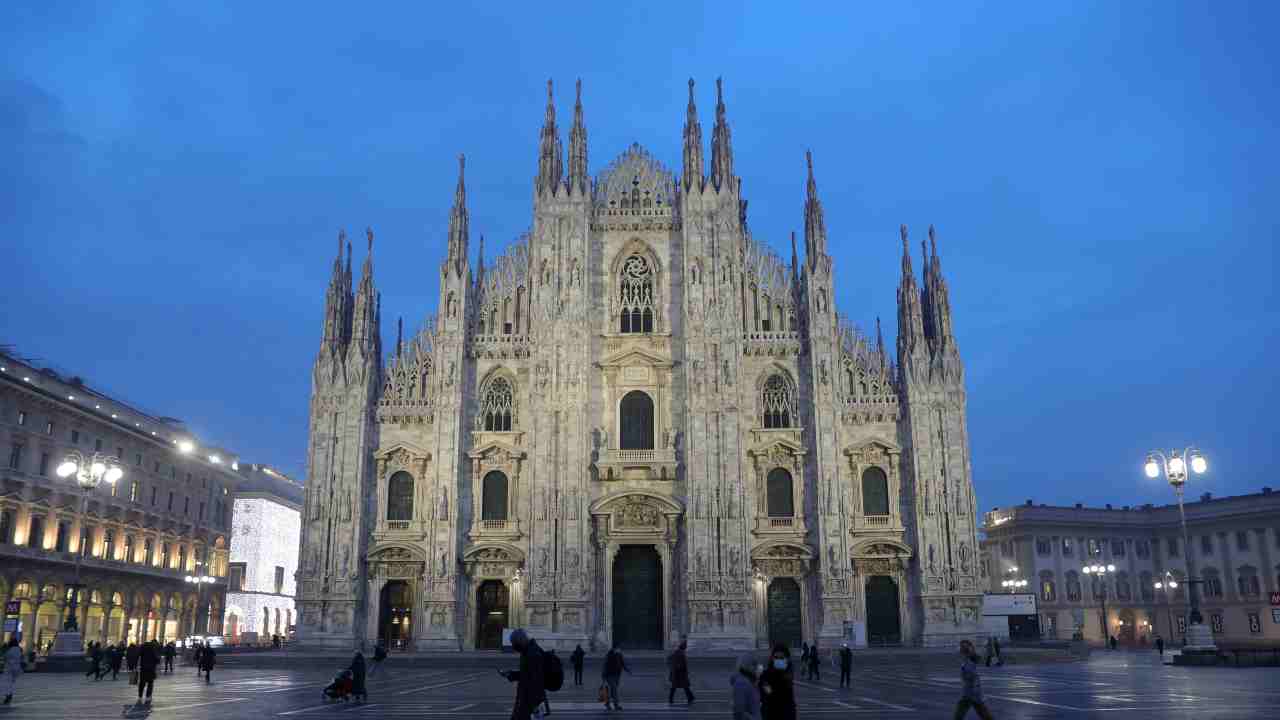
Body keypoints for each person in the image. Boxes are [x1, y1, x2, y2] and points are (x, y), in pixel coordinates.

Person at [499, 629, 545, 720]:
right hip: (525, 699)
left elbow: (536, 680)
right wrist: (511, 674)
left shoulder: (533, 654)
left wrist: (535, 705)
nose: (513, 646)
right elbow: (526, 674)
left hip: (529, 702)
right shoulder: (527, 651)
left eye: (514, 643)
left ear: (521, 641)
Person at [954, 639, 993, 720]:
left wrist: (973, 688)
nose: (959, 649)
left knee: (960, 712)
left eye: (961, 648)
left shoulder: (968, 662)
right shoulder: (967, 660)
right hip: (972, 692)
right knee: (982, 711)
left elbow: (973, 675)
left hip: (970, 692)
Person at [758, 645, 795, 720]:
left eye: (781, 658)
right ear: (772, 658)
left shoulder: (788, 675)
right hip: (771, 715)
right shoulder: (765, 676)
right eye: (776, 657)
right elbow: (769, 694)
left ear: (787, 659)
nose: (778, 660)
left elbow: (790, 701)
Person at [600, 643, 631, 711]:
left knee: (612, 691)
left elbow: (623, 663)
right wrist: (603, 677)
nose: (619, 650)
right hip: (609, 675)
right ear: (614, 649)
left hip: (617, 675)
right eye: (618, 649)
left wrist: (627, 670)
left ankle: (608, 704)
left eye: (619, 649)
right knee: (614, 690)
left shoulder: (619, 655)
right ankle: (615, 705)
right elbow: (605, 665)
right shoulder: (609, 655)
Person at [731, 653, 762, 720]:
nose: (757, 668)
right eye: (754, 664)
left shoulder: (750, 682)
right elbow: (739, 712)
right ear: (748, 667)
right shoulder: (741, 683)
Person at [667, 640, 695, 705]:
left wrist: (672, 667)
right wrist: (677, 667)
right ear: (683, 648)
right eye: (685, 647)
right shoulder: (681, 653)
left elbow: (669, 659)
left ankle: (690, 697)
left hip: (677, 673)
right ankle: (690, 698)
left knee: (681, 687)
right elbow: (683, 664)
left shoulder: (678, 652)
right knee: (683, 686)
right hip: (679, 673)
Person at [134, 640, 160, 708]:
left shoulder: (142, 648)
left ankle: (140, 696)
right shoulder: (153, 649)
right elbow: (157, 659)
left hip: (143, 668)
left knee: (142, 683)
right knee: (150, 683)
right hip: (151, 669)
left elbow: (137, 655)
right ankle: (148, 696)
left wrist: (135, 665)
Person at [3, 638, 23, 705]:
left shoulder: (10, 650)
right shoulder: (19, 650)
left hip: (9, 668)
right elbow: (20, 658)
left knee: (7, 683)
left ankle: (8, 695)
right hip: (16, 669)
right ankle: (10, 695)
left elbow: (6, 657)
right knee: (11, 683)